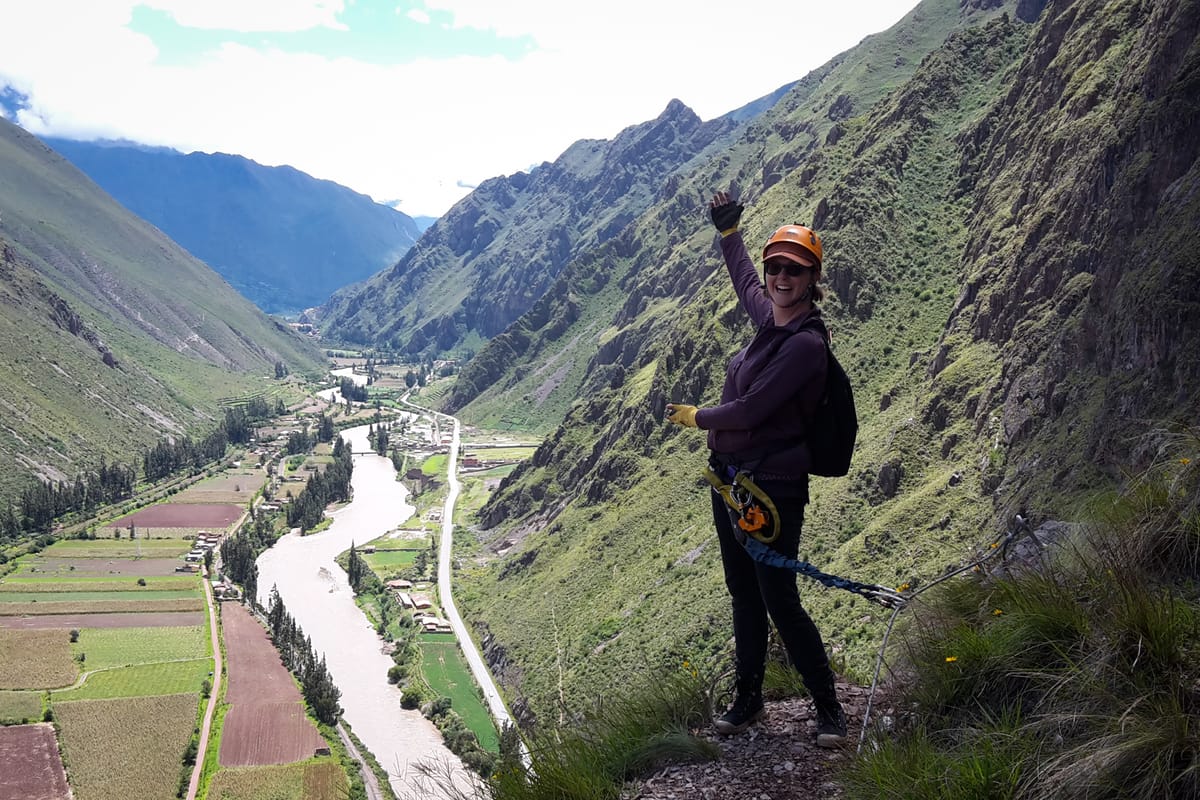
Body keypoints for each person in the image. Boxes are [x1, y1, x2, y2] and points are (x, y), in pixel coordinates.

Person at [665, 191, 847, 747]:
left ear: (813, 278)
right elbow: (745, 282)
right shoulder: (772, 318)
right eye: (776, 268)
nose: (780, 277)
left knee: (779, 599)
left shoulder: (805, 347)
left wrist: (698, 416)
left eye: (794, 270)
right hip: (735, 484)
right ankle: (748, 701)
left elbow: (752, 410)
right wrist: (730, 235)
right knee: (744, 592)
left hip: (773, 490)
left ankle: (829, 710)